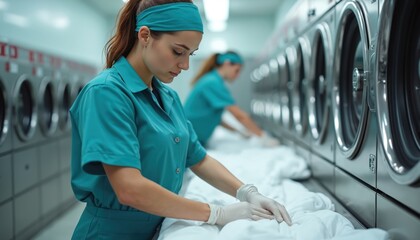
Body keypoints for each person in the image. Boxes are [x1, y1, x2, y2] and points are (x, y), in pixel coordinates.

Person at [69, 1, 292, 239]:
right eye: (178, 51)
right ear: (145, 36)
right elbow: (129, 189)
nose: (185, 65)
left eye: (190, 54)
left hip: (157, 224)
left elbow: (198, 157)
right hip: (112, 232)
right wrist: (216, 213)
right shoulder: (107, 93)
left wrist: (247, 192)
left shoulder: (168, 96)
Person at [184, 51, 273, 146]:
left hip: (192, 138)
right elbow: (239, 115)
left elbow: (215, 118)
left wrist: (239, 131)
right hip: (189, 138)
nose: (237, 75)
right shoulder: (212, 83)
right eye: (237, 70)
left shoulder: (211, 80)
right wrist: (263, 137)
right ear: (227, 64)